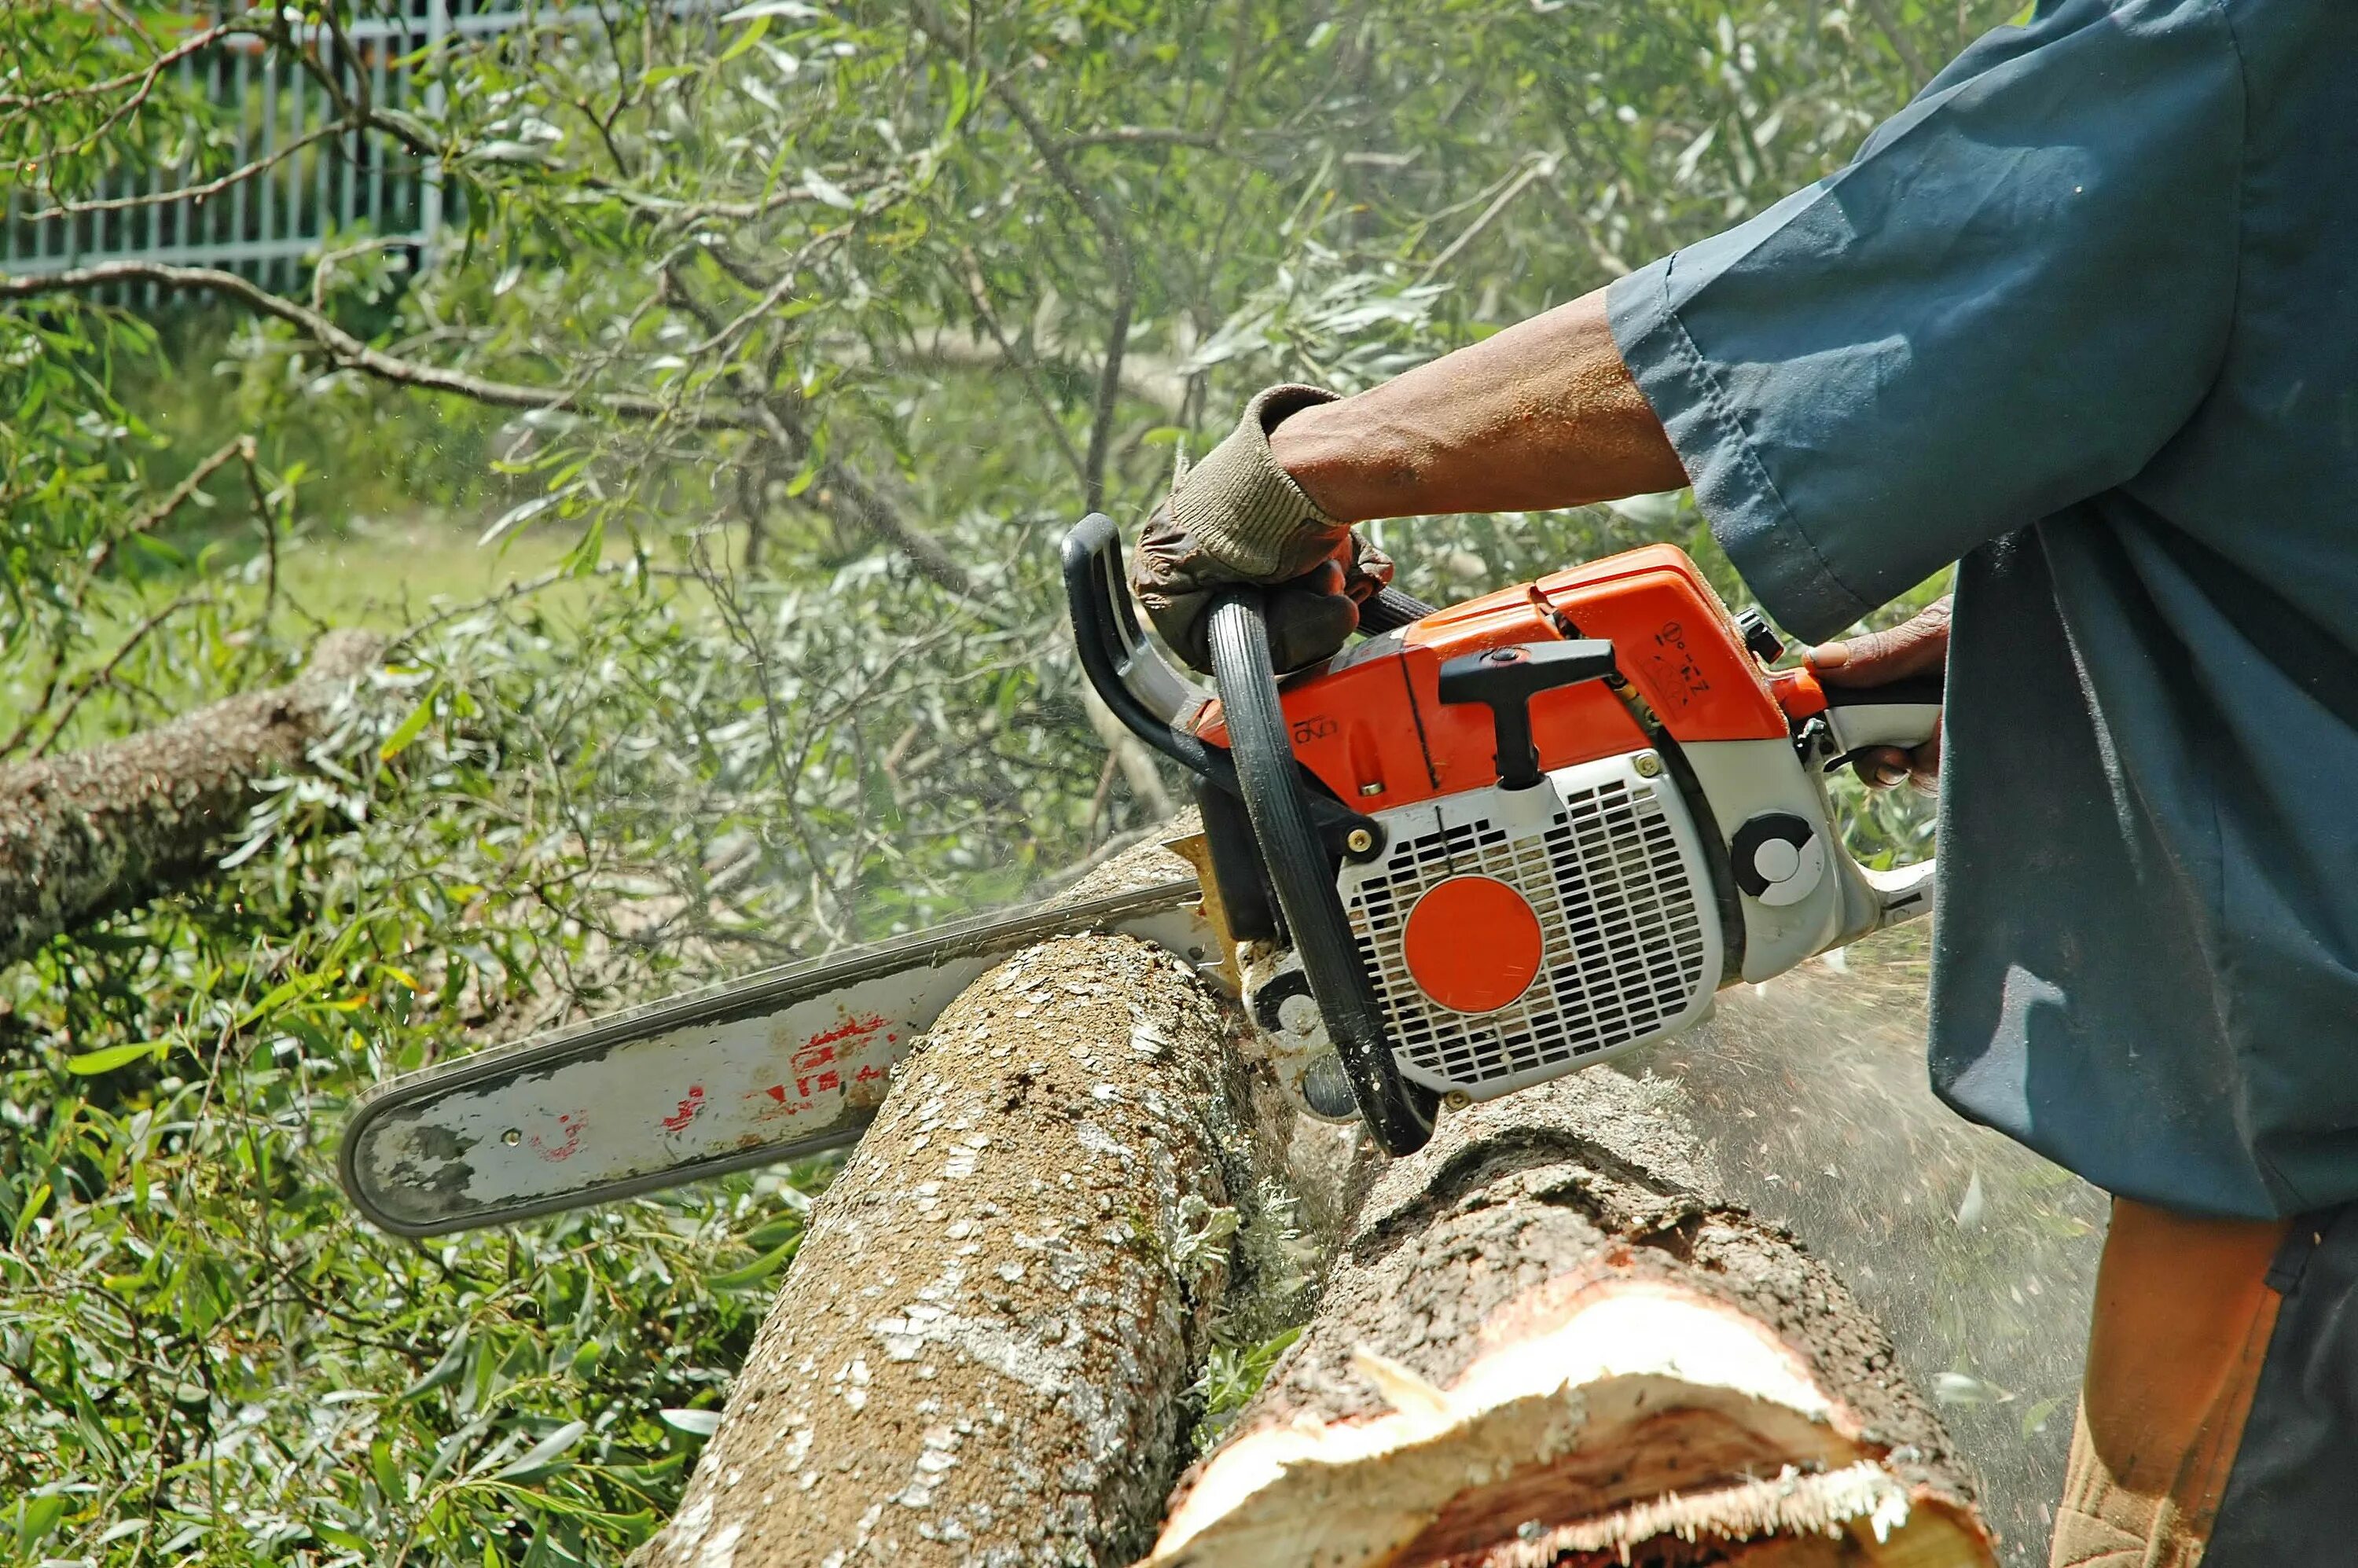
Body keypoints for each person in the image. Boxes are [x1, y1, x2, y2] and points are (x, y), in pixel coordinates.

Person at [1129, 0, 2358, 1559]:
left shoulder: (2235, 42)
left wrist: (1304, 468)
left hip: (2307, 1247)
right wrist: (2042, 650)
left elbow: (1822, 315)